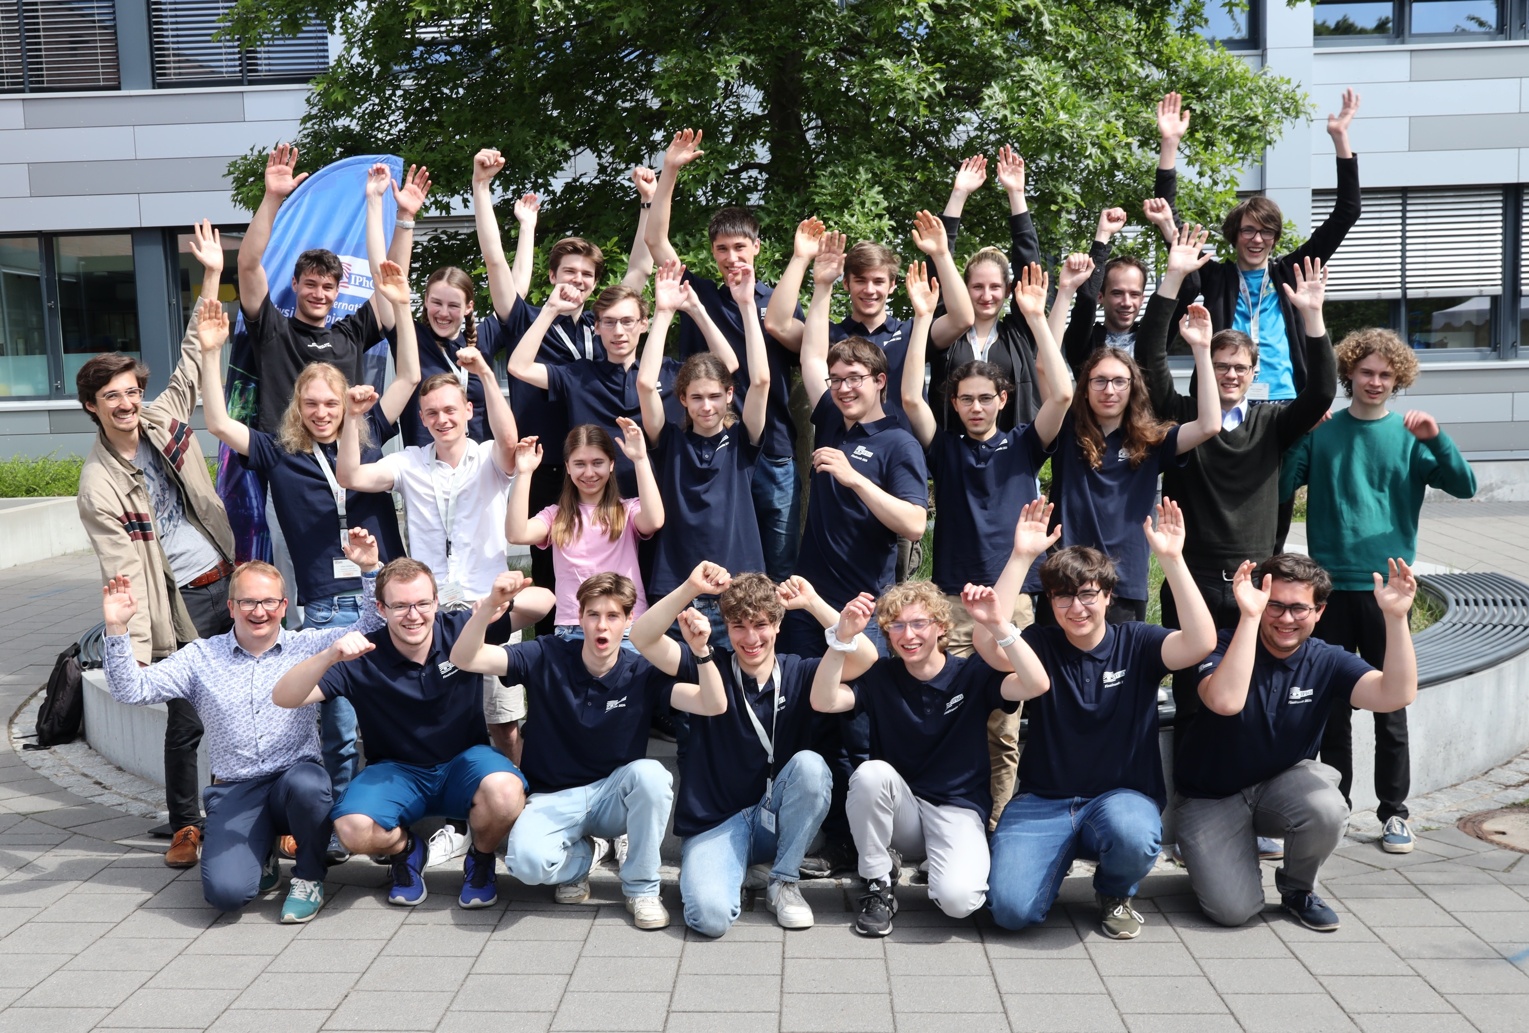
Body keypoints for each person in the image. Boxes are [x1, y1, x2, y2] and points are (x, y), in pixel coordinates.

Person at [202, 259, 420, 854]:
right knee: (341, 730)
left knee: (400, 713)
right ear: (299, 405)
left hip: (385, 596)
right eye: (313, 402)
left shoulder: (368, 428)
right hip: (326, 607)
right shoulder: (278, 452)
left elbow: (410, 375)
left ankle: (400, 817)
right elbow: (219, 420)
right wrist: (210, 351)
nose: (324, 411)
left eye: (332, 402)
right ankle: (336, 833)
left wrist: (399, 307)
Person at [101, 527, 385, 922]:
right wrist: (117, 629)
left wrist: (370, 569)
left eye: (269, 601)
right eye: (248, 602)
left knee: (310, 787)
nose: (259, 611)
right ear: (231, 607)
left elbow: (373, 627)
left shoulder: (307, 645)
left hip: (294, 780)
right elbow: (132, 690)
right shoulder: (201, 657)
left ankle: (309, 877)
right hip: (237, 788)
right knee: (228, 895)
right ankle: (262, 851)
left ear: (285, 606)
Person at [1138, 230, 1336, 765]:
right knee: (1190, 696)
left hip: (1255, 583)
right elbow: (1148, 354)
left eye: (1238, 368)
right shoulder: (1181, 416)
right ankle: (1191, 802)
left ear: (1254, 375)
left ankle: (1250, 795)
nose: (1228, 375)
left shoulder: (1273, 422)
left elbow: (1320, 392)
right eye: (1220, 365)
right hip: (1193, 581)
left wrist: (1312, 318)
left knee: (1250, 694)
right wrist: (1173, 280)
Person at [1281, 327, 1476, 853]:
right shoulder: (1325, 432)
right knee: (1330, 708)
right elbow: (1281, 486)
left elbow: (1465, 486)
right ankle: (1336, 807)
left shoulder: (1411, 436)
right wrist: (1302, 431)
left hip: (1387, 591)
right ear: (1348, 373)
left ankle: (1394, 812)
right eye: (1366, 371)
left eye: (1386, 374)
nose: (1375, 381)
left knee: (1392, 708)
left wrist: (1437, 438)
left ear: (1399, 379)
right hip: (1328, 591)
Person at [988, 499, 1217, 939]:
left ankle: (1114, 890)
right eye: (1063, 596)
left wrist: (1171, 559)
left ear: (1108, 597)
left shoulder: (1138, 642)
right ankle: (1044, 868)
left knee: (1134, 833)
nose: (1077, 607)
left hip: (1120, 798)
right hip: (1044, 801)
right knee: (1010, 912)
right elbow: (991, 645)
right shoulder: (1040, 643)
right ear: (1050, 601)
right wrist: (1020, 557)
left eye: (1088, 594)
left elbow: (1201, 641)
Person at [75, 234, 232, 868]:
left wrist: (212, 273)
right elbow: (123, 575)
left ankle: (256, 805)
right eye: (110, 396)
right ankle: (186, 825)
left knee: (251, 698)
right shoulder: (99, 485)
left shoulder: (163, 421)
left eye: (129, 390)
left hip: (226, 579)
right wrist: (135, 656)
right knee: (190, 714)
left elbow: (195, 354)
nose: (125, 402)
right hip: (178, 606)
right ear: (92, 407)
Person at [271, 559, 554, 908]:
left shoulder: (460, 628)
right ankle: (407, 851)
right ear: (381, 608)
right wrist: (328, 656)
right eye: (400, 606)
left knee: (507, 793)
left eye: (422, 603)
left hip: (464, 762)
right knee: (351, 829)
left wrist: (498, 601)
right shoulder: (363, 655)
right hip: (396, 770)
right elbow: (284, 697)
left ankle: (480, 861)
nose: (413, 615)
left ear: (436, 602)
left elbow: (544, 604)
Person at [901, 259, 1072, 829]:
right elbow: (909, 402)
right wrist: (924, 319)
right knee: (948, 714)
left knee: (1004, 724)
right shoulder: (943, 449)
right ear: (956, 404)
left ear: (1002, 398)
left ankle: (998, 824)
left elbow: (1063, 395)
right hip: (949, 600)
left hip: (1011, 602)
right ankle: (948, 816)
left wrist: (1037, 319)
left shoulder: (1025, 444)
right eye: (965, 399)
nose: (975, 407)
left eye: (985, 398)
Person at [783, 230, 930, 877]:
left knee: (860, 728)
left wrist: (852, 477)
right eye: (837, 380)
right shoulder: (830, 416)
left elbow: (914, 523)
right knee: (814, 719)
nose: (841, 387)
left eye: (854, 379)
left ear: (879, 380)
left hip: (865, 606)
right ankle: (827, 841)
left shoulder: (896, 440)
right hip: (810, 602)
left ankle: (869, 846)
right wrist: (819, 284)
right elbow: (813, 356)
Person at [630, 564, 878, 936]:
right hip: (716, 822)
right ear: (726, 627)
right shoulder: (705, 663)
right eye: (739, 626)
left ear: (778, 625)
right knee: (708, 919)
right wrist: (689, 587)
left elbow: (865, 658)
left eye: (761, 625)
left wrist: (813, 604)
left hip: (775, 817)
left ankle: (782, 881)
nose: (751, 638)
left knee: (812, 768)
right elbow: (642, 637)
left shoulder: (797, 670)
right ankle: (737, 870)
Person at [452, 572, 707, 931]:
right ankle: (583, 856)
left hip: (611, 796)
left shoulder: (642, 671)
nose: (602, 626)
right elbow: (466, 658)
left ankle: (642, 889)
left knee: (652, 777)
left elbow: (709, 703)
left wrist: (702, 653)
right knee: (525, 864)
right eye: (593, 615)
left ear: (629, 620)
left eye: (613, 616)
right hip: (553, 796)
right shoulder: (546, 654)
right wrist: (491, 606)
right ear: (579, 616)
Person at [1177, 553, 1418, 931]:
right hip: (1211, 796)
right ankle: (1223, 862)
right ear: (1258, 599)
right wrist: (1250, 617)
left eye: (1298, 609)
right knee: (1233, 911)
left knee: (1327, 808)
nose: (1286, 619)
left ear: (1319, 612)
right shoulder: (1222, 645)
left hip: (1281, 787)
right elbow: (1225, 702)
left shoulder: (1327, 659)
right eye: (1275, 605)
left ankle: (1297, 889)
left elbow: (1395, 695)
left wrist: (1396, 617)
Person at [474, 149, 655, 626]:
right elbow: (495, 262)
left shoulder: (600, 330)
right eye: (569, 272)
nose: (578, 280)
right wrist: (482, 190)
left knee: (621, 567)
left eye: (587, 275)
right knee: (551, 580)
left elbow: (638, 272)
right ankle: (553, 658)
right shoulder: (527, 319)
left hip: (597, 464)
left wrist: (646, 205)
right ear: (552, 277)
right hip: (545, 464)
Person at [811, 576, 1046, 937]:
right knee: (871, 774)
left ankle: (938, 867)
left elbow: (1035, 684)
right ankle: (878, 884)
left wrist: (998, 625)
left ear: (940, 627)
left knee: (960, 901)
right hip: (903, 813)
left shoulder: (971, 674)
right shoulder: (882, 677)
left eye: (919, 623)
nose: (909, 635)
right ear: (888, 634)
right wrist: (842, 639)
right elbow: (823, 701)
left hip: (957, 808)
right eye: (898, 626)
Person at [336, 346, 521, 759]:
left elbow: (510, 442)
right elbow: (349, 475)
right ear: (421, 420)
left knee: (503, 722)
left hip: (486, 602)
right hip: (433, 609)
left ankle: (513, 805)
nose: (443, 419)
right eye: (433, 413)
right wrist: (352, 419)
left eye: (451, 410)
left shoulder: (488, 456)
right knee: (448, 714)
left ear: (468, 410)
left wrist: (487, 375)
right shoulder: (409, 462)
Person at [644, 128, 804, 580]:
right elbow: (657, 242)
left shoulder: (780, 302)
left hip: (768, 448)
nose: (731, 257)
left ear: (756, 247)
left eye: (739, 247)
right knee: (715, 564)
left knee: (776, 569)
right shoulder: (703, 294)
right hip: (710, 451)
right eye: (721, 249)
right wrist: (670, 169)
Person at [1033, 292, 1221, 624]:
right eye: (1100, 381)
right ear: (1086, 387)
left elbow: (1209, 425)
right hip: (1067, 577)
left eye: (1120, 381)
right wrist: (1062, 295)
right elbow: (1043, 367)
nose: (1109, 390)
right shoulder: (1065, 431)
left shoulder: (1151, 441)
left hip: (1125, 581)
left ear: (1133, 387)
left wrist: (1202, 351)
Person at [1167, 90, 1362, 400]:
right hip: (1222, 402)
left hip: (1285, 402)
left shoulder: (1292, 272)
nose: (1257, 239)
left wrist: (1340, 139)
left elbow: (1347, 212)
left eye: (1266, 232)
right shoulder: (1215, 278)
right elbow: (1169, 219)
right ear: (1233, 235)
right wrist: (1169, 146)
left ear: (1275, 237)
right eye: (1248, 231)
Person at [236, 146, 429, 434]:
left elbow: (391, 281)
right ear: (294, 284)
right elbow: (248, 265)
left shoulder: (350, 334)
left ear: (338, 291)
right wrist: (272, 197)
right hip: (288, 464)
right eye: (310, 284)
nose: (319, 294)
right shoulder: (273, 331)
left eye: (327, 287)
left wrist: (404, 219)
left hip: (347, 463)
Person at [508, 271, 731, 496]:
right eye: (609, 322)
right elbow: (519, 366)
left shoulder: (669, 372)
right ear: (596, 327)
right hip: (599, 507)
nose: (618, 332)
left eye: (627, 322)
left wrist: (696, 309)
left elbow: (727, 365)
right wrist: (550, 309)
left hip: (663, 503)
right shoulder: (579, 375)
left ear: (644, 324)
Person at [639, 263, 771, 637]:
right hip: (677, 589)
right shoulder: (669, 441)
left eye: (715, 396)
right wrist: (664, 313)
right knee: (679, 692)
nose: (707, 406)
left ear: (729, 395)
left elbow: (760, 380)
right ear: (682, 399)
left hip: (739, 589)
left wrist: (747, 306)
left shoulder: (743, 441)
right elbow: (647, 385)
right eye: (696, 397)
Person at [767, 211, 975, 426]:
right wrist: (800, 259)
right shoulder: (825, 336)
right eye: (860, 280)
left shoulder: (912, 333)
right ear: (846, 284)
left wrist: (941, 254)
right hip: (840, 450)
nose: (869, 289)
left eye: (878, 281)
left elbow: (962, 319)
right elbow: (777, 324)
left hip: (902, 452)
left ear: (892, 285)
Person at [1052, 92, 1188, 369]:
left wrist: (1169, 146)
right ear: (1103, 296)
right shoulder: (1085, 341)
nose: (1127, 302)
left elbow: (1188, 287)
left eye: (1135, 294)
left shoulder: (1152, 341)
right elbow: (1086, 298)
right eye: (1117, 293)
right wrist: (1102, 236)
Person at [506, 422, 664, 639]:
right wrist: (524, 473)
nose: (589, 472)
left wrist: (640, 459)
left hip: (626, 627)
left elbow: (654, 520)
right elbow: (517, 534)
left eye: (597, 462)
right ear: (568, 467)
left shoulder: (627, 510)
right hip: (572, 627)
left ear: (611, 464)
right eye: (579, 464)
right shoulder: (555, 516)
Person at [929, 147, 1043, 430]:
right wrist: (959, 194)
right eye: (977, 286)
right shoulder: (948, 334)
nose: (986, 295)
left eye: (995, 287)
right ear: (964, 289)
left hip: (1011, 459)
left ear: (1007, 290)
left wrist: (1016, 194)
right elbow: (937, 268)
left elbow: (1029, 264)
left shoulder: (1018, 331)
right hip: (955, 459)